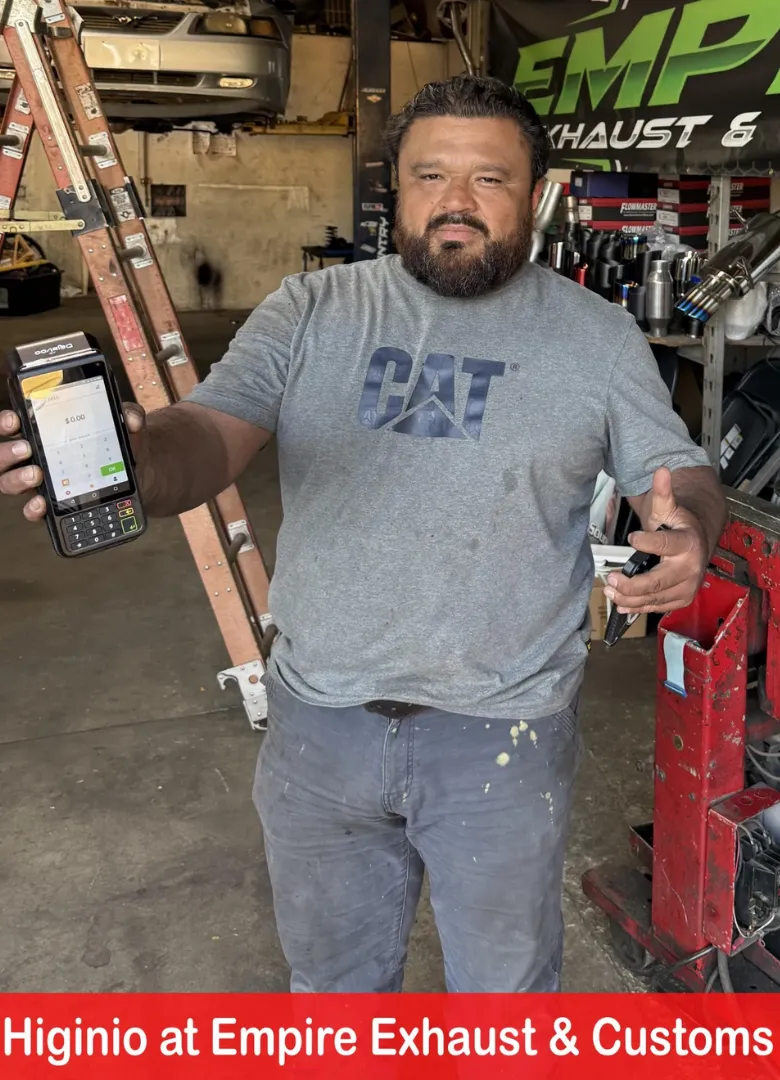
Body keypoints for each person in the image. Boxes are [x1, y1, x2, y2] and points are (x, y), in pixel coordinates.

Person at [0, 75, 726, 993]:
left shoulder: (598, 337)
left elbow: (680, 474)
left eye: (489, 179)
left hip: (503, 736)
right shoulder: (311, 311)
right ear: (397, 189)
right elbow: (208, 437)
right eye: (430, 175)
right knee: (333, 997)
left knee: (506, 1008)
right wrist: (139, 460)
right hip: (319, 729)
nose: (456, 201)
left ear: (537, 195)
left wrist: (689, 529)